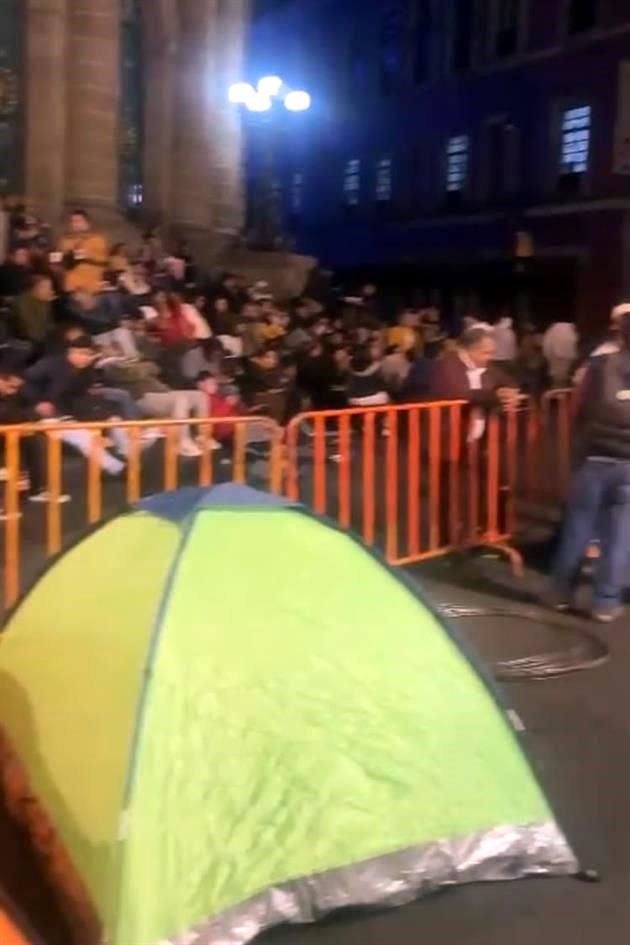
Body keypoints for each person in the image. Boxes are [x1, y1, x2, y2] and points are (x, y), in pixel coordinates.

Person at [547, 312, 630, 623]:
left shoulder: (599, 365)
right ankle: (606, 602)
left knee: (578, 528)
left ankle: (559, 593)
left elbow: (579, 407)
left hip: (593, 457)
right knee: (620, 536)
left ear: (620, 335)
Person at [23, 336, 126, 475]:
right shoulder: (50, 365)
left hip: (73, 413)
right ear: (70, 352)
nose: (85, 358)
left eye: (89, 354)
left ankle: (131, 457)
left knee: (115, 421)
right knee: (83, 436)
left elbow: (81, 396)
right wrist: (38, 402)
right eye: (81, 353)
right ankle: (118, 469)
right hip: (45, 416)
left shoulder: (86, 371)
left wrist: (103, 413)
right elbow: (25, 381)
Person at [0, 371, 69, 504]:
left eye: (17, 387)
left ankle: (37, 489)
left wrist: (36, 419)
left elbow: (19, 413)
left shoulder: (11, 395)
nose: (14, 390)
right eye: (11, 386)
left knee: (36, 439)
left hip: (9, 434)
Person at [57, 209, 108, 294]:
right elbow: (56, 260)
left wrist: (79, 254)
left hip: (92, 286)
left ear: (87, 223)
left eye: (78, 221)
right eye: (72, 221)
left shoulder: (98, 240)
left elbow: (103, 261)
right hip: (70, 286)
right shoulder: (64, 240)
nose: (74, 224)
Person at [12, 274, 55, 350]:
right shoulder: (23, 303)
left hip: (40, 340)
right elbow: (33, 332)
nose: (50, 291)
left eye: (50, 288)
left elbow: (49, 324)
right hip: (26, 343)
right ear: (34, 289)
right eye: (45, 287)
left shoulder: (42, 300)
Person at [542, 319, 578, 388]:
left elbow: (546, 350)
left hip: (557, 369)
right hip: (565, 370)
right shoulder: (567, 331)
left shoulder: (552, 330)